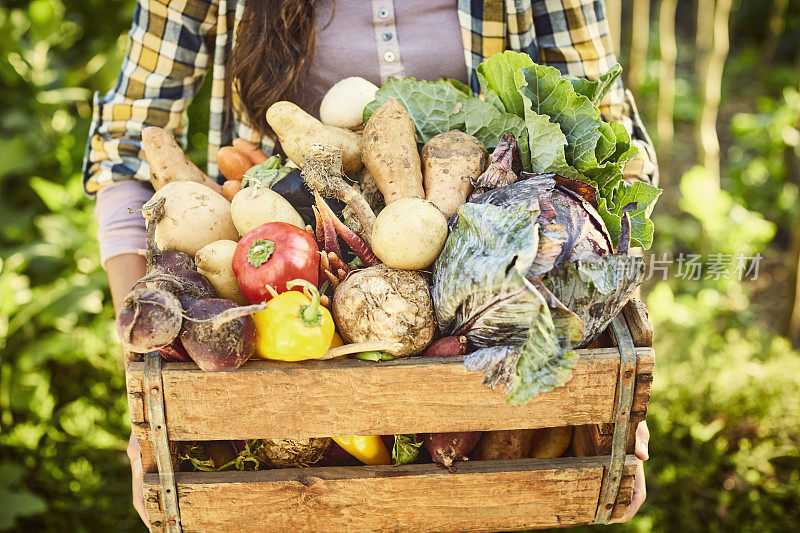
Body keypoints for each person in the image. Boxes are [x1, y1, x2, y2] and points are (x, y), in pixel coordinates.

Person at [86, 0, 654, 525]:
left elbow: (611, 144)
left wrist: (618, 395)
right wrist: (148, 372)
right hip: (275, 336)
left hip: (498, 332)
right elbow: (127, 148)